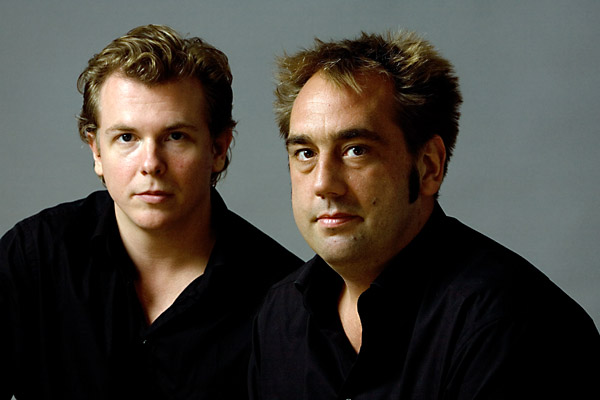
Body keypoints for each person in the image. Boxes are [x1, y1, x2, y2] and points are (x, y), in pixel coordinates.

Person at [249, 31, 600, 399]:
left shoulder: (510, 322)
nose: (324, 184)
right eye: (305, 153)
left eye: (356, 150)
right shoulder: (279, 315)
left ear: (429, 166)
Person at [0, 24, 302, 400]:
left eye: (175, 137)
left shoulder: (285, 298)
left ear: (218, 149)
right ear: (97, 151)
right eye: (126, 137)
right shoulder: (34, 257)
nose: (151, 164)